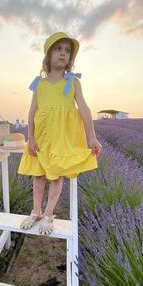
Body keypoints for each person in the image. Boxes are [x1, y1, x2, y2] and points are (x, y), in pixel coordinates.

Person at [17, 31, 103, 235]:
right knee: (38, 176)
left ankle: (48, 214)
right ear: (48, 55)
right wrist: (31, 138)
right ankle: (36, 211)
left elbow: (84, 108)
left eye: (67, 51)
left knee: (56, 176)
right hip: (42, 137)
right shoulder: (39, 83)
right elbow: (32, 112)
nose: (63, 54)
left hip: (61, 138)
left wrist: (92, 137)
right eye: (58, 49)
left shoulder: (73, 82)